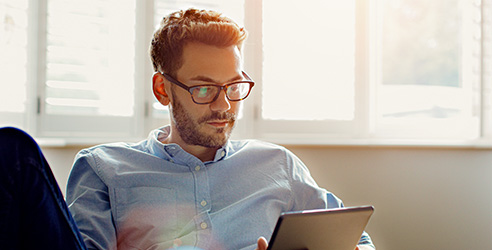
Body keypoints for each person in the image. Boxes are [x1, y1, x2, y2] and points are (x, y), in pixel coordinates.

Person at [66, 8, 375, 250]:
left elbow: (357, 240)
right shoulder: (102, 170)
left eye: (233, 86)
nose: (225, 106)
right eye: (203, 89)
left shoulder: (279, 164)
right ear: (162, 89)